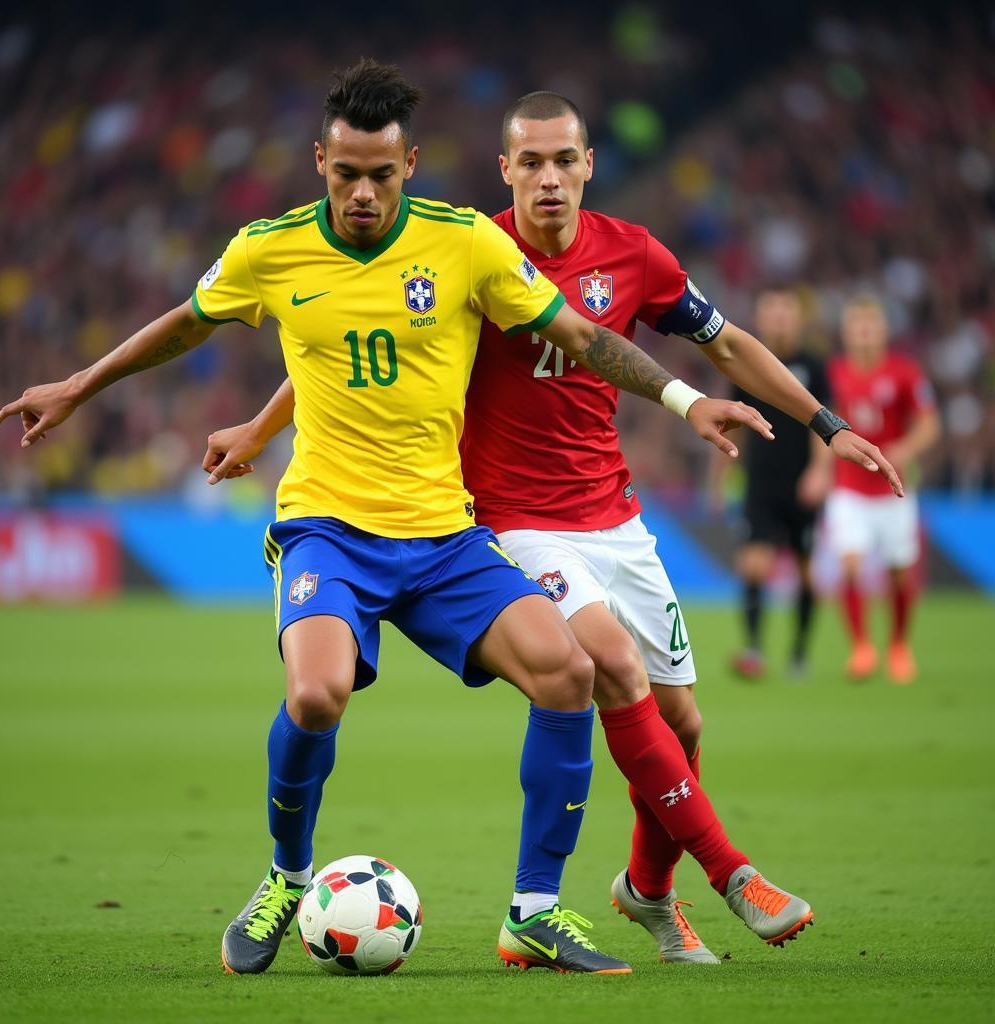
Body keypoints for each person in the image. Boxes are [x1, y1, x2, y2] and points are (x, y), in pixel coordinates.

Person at [0, 61, 794, 978]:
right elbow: (185, 322)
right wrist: (79, 387)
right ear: (319, 163)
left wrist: (689, 402)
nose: (363, 193)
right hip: (328, 530)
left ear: (410, 163)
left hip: (447, 536)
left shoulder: (465, 245)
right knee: (316, 693)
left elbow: (582, 337)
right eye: (345, 175)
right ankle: (287, 876)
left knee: (568, 674)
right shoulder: (270, 248)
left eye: (381, 174)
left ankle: (536, 910)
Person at [203, 89, 903, 966]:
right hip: (507, 520)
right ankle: (732, 873)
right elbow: (341, 343)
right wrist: (261, 433)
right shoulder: (469, 248)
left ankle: (648, 891)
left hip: (613, 515)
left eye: (562, 161)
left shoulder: (633, 255)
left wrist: (828, 425)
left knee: (681, 726)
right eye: (528, 162)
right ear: (506, 170)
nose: (547, 179)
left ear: (587, 166)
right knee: (603, 665)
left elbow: (726, 345)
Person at [826, 296, 939, 683]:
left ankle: (898, 645)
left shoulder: (905, 372)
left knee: (898, 573)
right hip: (848, 487)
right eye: (857, 327)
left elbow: (929, 424)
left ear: (883, 331)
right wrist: (815, 469)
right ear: (846, 333)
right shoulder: (835, 373)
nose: (863, 334)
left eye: (870, 326)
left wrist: (904, 449)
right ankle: (861, 647)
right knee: (851, 564)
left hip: (893, 488)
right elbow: (819, 425)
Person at [728, 289, 832, 679]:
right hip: (760, 484)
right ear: (760, 315)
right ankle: (754, 649)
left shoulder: (814, 366)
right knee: (753, 566)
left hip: (801, 482)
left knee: (806, 570)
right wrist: (720, 477)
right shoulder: (746, 362)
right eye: (771, 309)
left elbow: (825, 422)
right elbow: (734, 422)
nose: (779, 317)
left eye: (786, 310)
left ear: (798, 317)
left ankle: (799, 653)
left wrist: (820, 472)